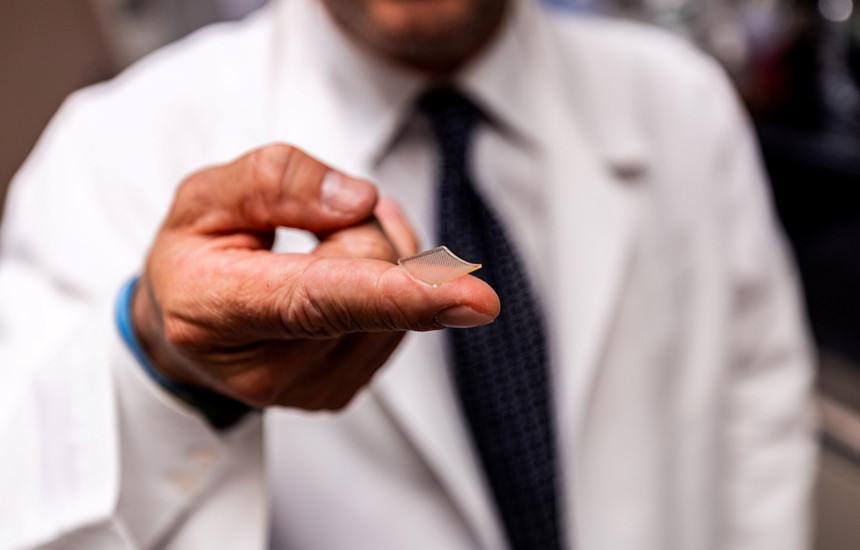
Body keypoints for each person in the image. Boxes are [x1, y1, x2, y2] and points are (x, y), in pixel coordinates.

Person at [0, 0, 816, 548]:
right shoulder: (111, 152)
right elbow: (32, 499)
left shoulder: (683, 102)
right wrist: (166, 369)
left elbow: (762, 414)